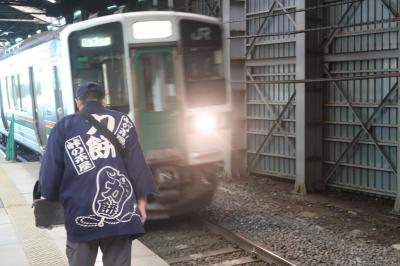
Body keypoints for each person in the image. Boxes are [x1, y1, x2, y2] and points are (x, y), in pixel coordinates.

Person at [38, 81, 155, 266]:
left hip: (79, 212)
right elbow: (137, 165)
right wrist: (141, 202)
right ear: (104, 100)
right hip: (121, 214)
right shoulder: (123, 121)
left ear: (78, 102)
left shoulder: (64, 126)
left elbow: (50, 175)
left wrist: (50, 196)